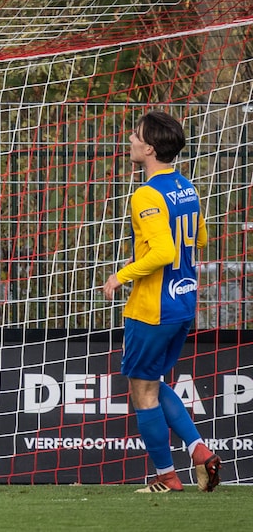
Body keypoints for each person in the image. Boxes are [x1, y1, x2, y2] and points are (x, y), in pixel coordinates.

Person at [101, 110, 221, 493]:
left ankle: (166, 477)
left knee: (142, 391)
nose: (131, 140)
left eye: (136, 136)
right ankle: (200, 451)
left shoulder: (146, 194)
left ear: (150, 148)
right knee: (151, 381)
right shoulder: (186, 187)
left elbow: (163, 251)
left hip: (152, 307)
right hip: (183, 301)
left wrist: (121, 275)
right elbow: (199, 240)